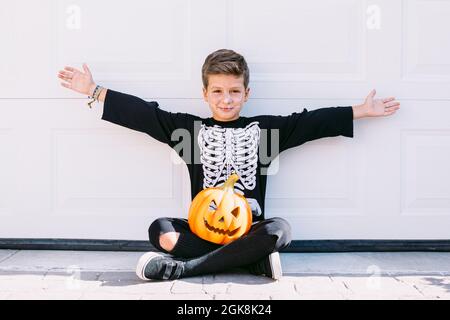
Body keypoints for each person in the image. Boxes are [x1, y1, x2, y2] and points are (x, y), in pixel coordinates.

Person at [57, 49, 400, 281]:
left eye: (234, 91)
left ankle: (184, 269)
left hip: (250, 227)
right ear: (205, 94)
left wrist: (361, 110)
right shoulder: (189, 131)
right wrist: (95, 90)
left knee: (278, 230)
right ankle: (250, 259)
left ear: (246, 94)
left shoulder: (265, 131)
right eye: (218, 91)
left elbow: (308, 123)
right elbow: (146, 116)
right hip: (201, 226)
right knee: (160, 230)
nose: (226, 99)